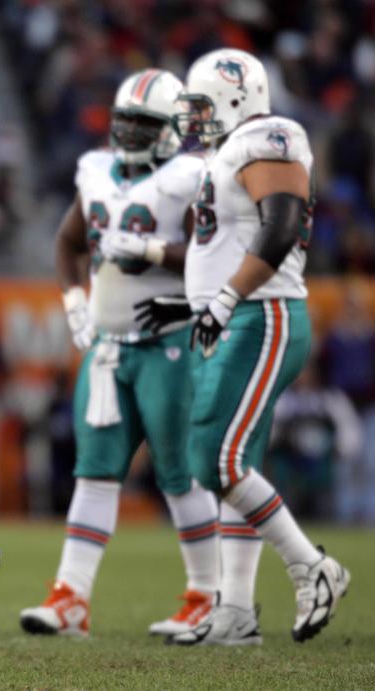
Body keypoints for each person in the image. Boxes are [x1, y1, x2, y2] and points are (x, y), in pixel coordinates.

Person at [151, 48, 350, 645]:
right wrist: (192, 299)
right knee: (236, 464)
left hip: (259, 316)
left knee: (214, 457)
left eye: (203, 105)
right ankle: (235, 611)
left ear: (238, 97)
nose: (194, 118)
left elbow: (282, 223)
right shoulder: (225, 153)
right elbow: (221, 246)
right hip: (232, 316)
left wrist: (223, 300)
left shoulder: (270, 135)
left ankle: (312, 567)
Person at [19, 69, 220, 638]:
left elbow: (213, 254)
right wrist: (74, 297)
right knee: (95, 473)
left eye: (143, 123)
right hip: (109, 350)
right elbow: (68, 241)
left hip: (171, 343)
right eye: (124, 120)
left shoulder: (190, 176)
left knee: (180, 474)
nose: (129, 131)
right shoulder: (95, 170)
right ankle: (71, 598)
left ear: (171, 129)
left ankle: (207, 595)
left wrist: (155, 249)